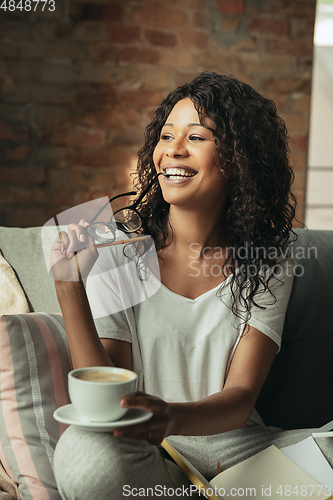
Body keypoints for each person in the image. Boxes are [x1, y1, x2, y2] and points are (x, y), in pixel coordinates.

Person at [51, 72, 311, 499]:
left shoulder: (268, 258)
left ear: (238, 159)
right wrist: (69, 289)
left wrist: (173, 415)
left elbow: (241, 396)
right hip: (145, 448)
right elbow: (107, 394)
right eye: (166, 135)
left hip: (235, 448)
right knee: (84, 456)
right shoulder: (118, 251)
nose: (172, 149)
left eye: (197, 137)